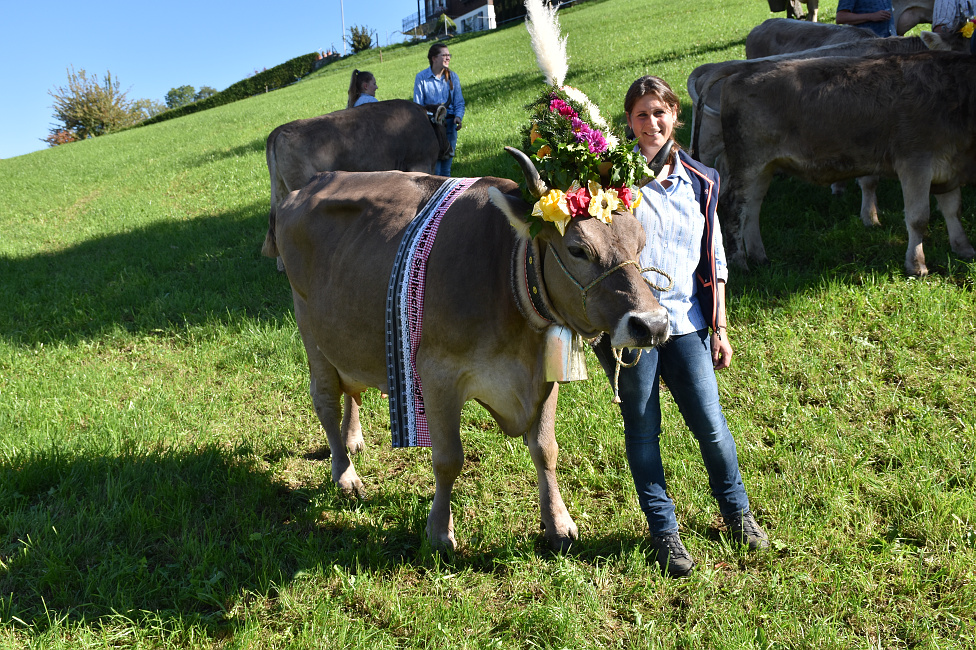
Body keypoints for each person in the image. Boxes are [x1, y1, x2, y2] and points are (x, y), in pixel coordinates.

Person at [592, 75, 769, 578]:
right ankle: (663, 531)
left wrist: (721, 327)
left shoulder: (702, 179)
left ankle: (738, 515)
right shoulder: (611, 183)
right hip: (633, 328)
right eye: (641, 114)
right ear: (628, 121)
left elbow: (713, 258)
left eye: (660, 112)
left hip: (687, 322)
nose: (651, 123)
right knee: (644, 431)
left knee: (711, 426)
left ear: (676, 116)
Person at [413, 43, 465, 176]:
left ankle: (447, 197)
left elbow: (459, 102)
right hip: (432, 127)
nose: (448, 58)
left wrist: (458, 117)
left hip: (450, 125)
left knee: (446, 170)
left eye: (449, 55)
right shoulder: (421, 78)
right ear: (434, 58)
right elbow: (417, 105)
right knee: (435, 170)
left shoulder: (453, 77)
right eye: (445, 55)